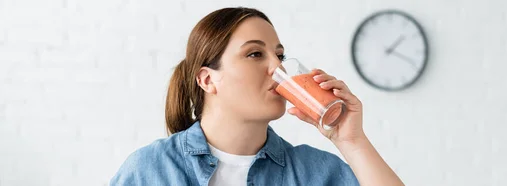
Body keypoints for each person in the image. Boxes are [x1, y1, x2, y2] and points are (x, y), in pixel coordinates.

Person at [110, 7, 405, 186]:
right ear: (208, 79)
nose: (278, 67)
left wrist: (352, 142)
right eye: (254, 54)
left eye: (280, 55)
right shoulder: (151, 169)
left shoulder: (316, 172)